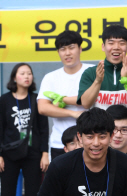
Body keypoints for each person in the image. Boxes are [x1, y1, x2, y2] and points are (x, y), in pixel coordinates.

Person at [0, 63, 49, 196]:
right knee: (7, 195)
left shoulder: (36, 99)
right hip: (9, 153)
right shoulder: (5, 100)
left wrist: (44, 153)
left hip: (33, 153)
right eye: (22, 73)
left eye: (29, 73)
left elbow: (43, 129)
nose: (27, 76)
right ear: (14, 77)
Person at [78, 25, 127, 147]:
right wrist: (97, 81)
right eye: (111, 43)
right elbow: (85, 103)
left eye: (121, 43)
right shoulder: (91, 73)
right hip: (100, 143)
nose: (116, 47)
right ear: (103, 46)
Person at [37, 31, 93, 160]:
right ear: (58, 52)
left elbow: (91, 99)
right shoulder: (50, 77)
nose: (67, 53)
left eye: (71, 48)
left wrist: (62, 100)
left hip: (90, 142)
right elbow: (43, 108)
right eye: (63, 49)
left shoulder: (92, 71)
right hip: (60, 143)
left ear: (80, 48)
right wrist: (73, 114)